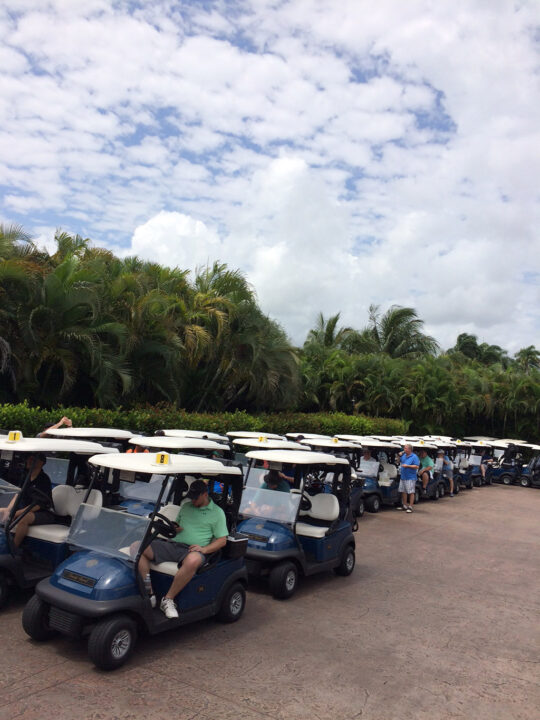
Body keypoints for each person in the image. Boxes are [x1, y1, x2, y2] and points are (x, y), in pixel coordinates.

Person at [135, 479, 228, 619]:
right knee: (137, 547)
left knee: (193, 560)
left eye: (196, 498)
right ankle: (149, 592)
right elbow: (178, 527)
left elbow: (222, 540)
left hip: (193, 550)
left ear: (205, 494)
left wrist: (204, 549)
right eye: (191, 497)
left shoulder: (217, 513)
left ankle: (168, 599)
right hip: (173, 544)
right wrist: (175, 528)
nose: (193, 501)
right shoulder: (186, 507)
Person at [0, 453, 58, 548]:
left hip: (43, 512)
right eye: (28, 459)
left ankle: (13, 547)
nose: (28, 461)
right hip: (26, 509)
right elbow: (18, 494)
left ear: (41, 463)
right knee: (1, 511)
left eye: (32, 459)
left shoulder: (44, 479)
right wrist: (8, 510)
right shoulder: (25, 477)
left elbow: (38, 505)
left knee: (23, 518)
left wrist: (16, 513)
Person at [398, 444, 419, 513]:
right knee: (403, 491)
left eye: (406, 448)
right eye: (404, 448)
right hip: (403, 476)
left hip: (410, 477)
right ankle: (404, 505)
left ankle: (410, 506)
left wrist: (408, 466)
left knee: (411, 491)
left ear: (410, 449)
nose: (404, 449)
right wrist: (399, 456)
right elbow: (399, 461)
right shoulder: (404, 456)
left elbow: (416, 466)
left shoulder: (414, 457)